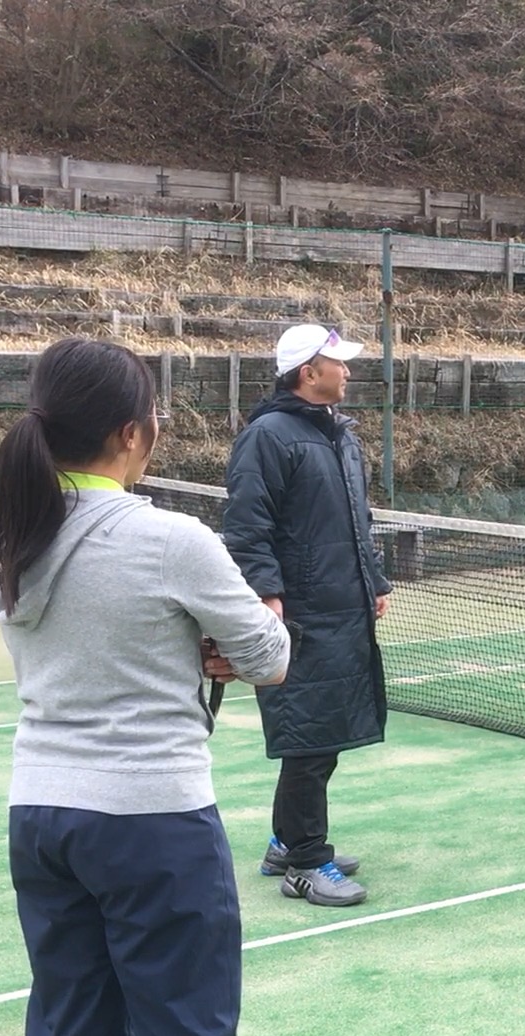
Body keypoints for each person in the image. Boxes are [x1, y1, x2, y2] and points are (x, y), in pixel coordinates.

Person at [0, 337, 291, 1036]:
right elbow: (270, 657)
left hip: (41, 815)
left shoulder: (7, 538)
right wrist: (237, 634)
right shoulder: (170, 539)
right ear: (130, 434)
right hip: (154, 818)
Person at [223, 323, 392, 907]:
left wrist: (374, 581)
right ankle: (304, 861)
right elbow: (247, 527)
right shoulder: (267, 437)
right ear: (307, 372)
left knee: (323, 736)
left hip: (343, 610)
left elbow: (357, 519)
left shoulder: (339, 435)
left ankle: (285, 842)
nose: (348, 371)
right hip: (301, 617)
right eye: (337, 362)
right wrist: (267, 595)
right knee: (308, 740)